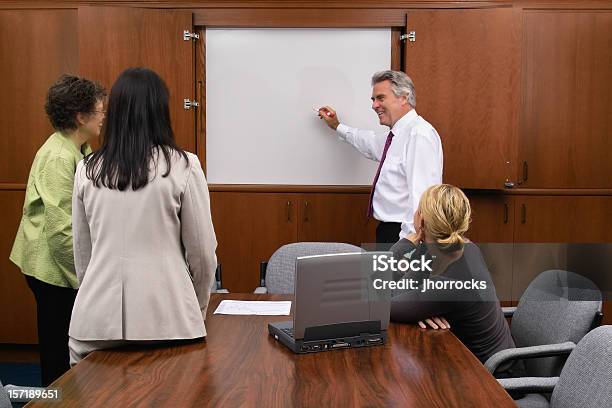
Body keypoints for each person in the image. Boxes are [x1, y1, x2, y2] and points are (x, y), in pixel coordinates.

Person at [68, 67, 217, 364]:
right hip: (169, 321)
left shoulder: (88, 168)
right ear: (160, 111)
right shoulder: (184, 166)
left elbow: (82, 256)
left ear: (115, 111)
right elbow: (202, 253)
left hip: (96, 323)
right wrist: (193, 308)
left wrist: (97, 295)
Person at [10, 74, 106, 386]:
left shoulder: (82, 149)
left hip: (66, 266)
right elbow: (61, 231)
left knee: (68, 348)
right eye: (100, 111)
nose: (104, 118)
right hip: (52, 270)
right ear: (81, 117)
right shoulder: (56, 156)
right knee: (57, 355)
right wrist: (87, 281)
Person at [389, 184, 522, 377]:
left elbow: (381, 301)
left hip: (495, 380)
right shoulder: (464, 248)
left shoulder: (449, 285)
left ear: (422, 222)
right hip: (472, 363)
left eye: (417, 210)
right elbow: (397, 292)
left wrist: (403, 246)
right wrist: (418, 306)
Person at [318, 70, 442, 246]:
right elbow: (368, 141)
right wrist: (337, 126)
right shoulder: (396, 135)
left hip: (404, 236)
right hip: (390, 233)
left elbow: (422, 198)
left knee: (392, 275)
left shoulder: (418, 135)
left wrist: (407, 245)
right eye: (373, 100)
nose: (374, 105)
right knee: (382, 275)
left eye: (380, 98)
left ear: (404, 97)